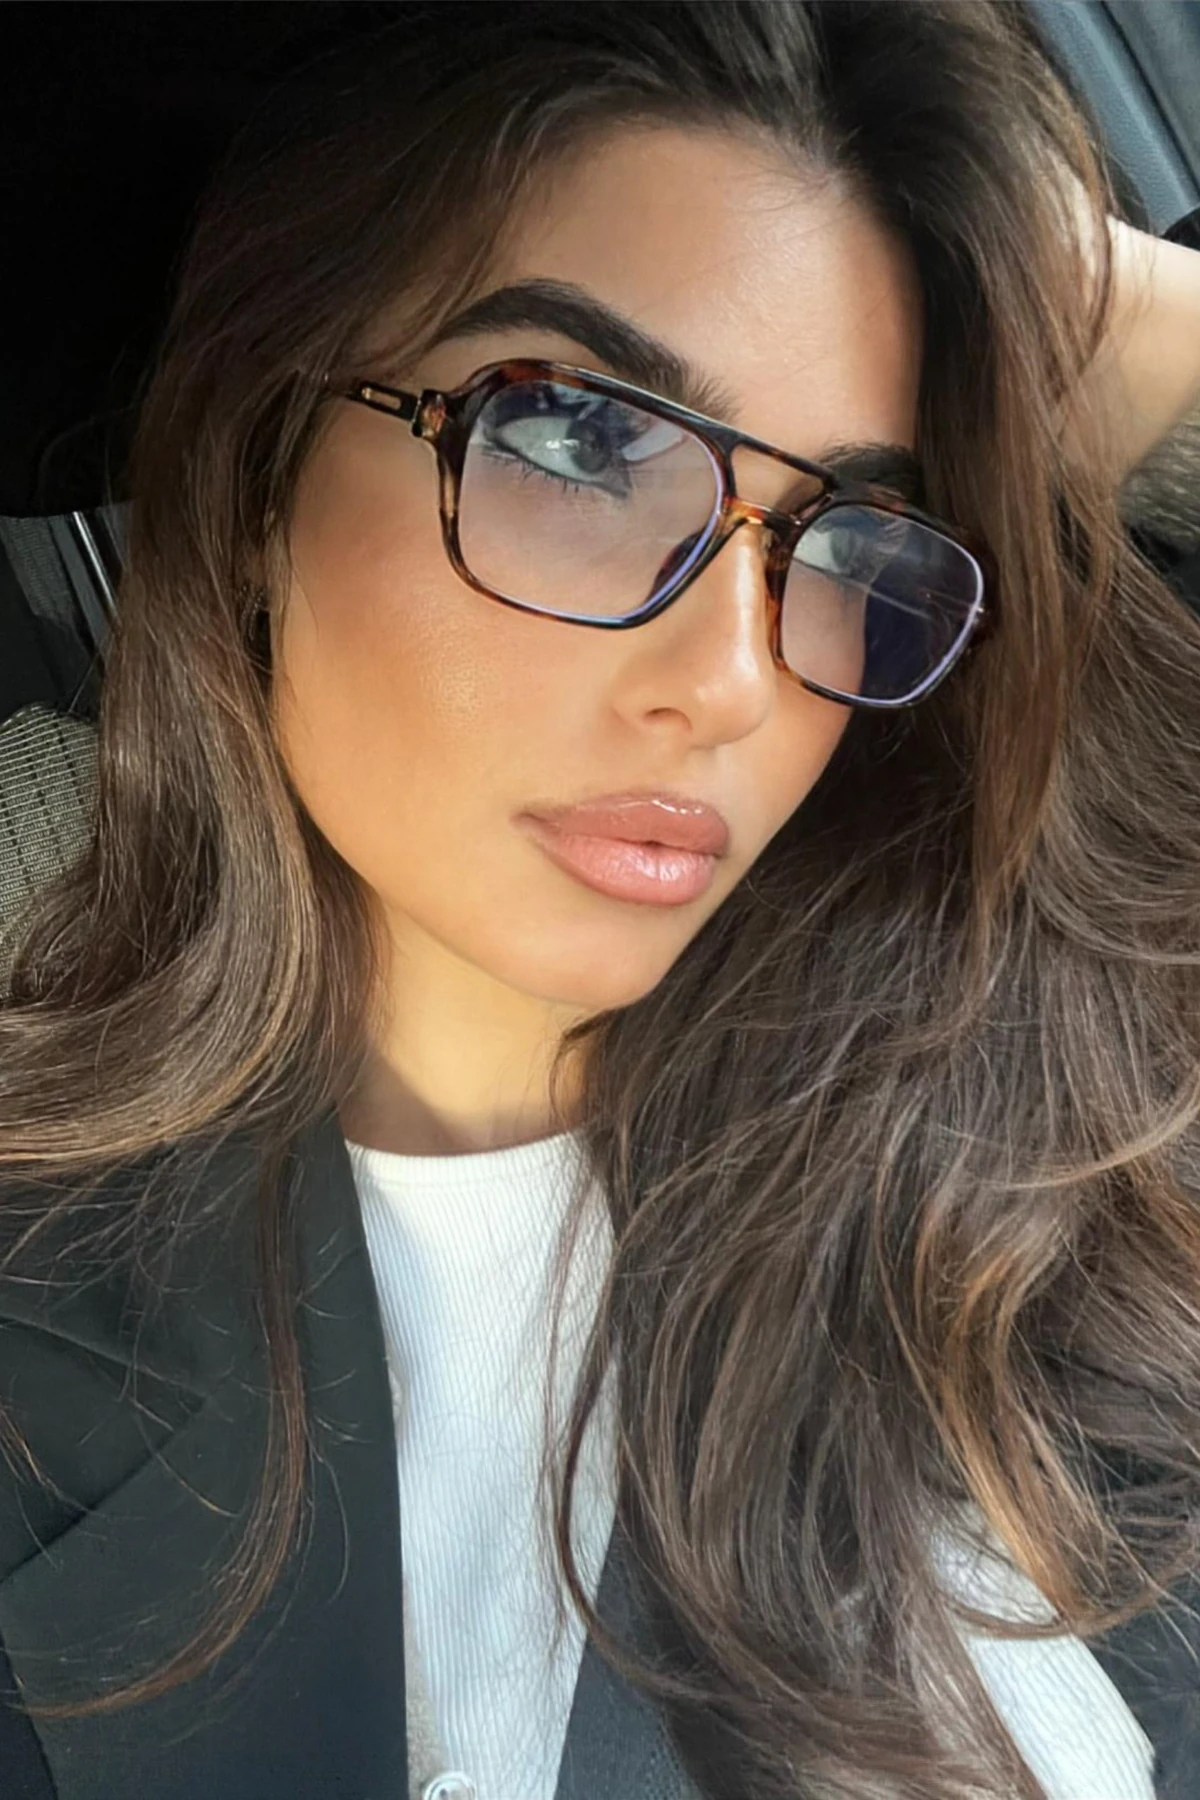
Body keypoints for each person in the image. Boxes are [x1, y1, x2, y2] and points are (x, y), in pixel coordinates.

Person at [1, 3, 1199, 1796]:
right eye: (574, 445)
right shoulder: (41, 1349)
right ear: (253, 477)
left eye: (851, 535)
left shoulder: (1077, 1116)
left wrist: (1077, 304)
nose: (734, 682)